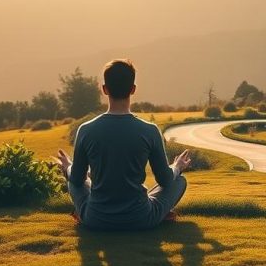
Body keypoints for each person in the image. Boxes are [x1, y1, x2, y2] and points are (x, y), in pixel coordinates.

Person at [56, 59, 192, 230]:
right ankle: (156, 209)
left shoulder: (86, 130)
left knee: (73, 182)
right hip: (141, 218)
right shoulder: (149, 130)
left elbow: (76, 179)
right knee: (179, 181)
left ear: (104, 89)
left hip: (96, 219)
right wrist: (177, 166)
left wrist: (68, 166)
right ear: (133, 89)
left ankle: (84, 212)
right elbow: (165, 180)